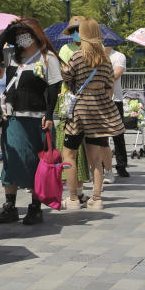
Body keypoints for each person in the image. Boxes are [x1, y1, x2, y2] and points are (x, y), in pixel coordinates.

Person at [0, 18, 63, 225]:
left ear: (35, 33)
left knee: (35, 163)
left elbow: (53, 89)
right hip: (13, 118)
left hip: (36, 119)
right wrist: (8, 30)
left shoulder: (47, 58)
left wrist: (49, 115)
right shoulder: (13, 55)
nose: (21, 36)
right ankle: (10, 205)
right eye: (18, 33)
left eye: (25, 32)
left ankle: (35, 206)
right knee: (11, 161)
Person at [61, 20, 124, 210]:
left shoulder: (77, 56)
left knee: (69, 154)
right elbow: (109, 85)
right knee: (95, 157)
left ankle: (73, 198)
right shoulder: (105, 59)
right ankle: (96, 198)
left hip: (79, 110)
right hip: (99, 110)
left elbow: (66, 77)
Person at [56, 16, 91, 191]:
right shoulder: (65, 49)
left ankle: (81, 186)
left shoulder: (92, 49)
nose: (76, 33)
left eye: (80, 29)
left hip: (86, 101)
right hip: (68, 99)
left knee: (84, 147)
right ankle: (71, 187)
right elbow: (63, 72)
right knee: (67, 145)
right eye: (74, 30)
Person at [105, 44, 129, 179]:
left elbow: (116, 74)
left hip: (115, 100)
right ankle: (101, 165)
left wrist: (100, 75)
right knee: (99, 136)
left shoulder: (119, 56)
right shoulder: (96, 57)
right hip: (99, 100)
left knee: (118, 134)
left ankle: (121, 165)